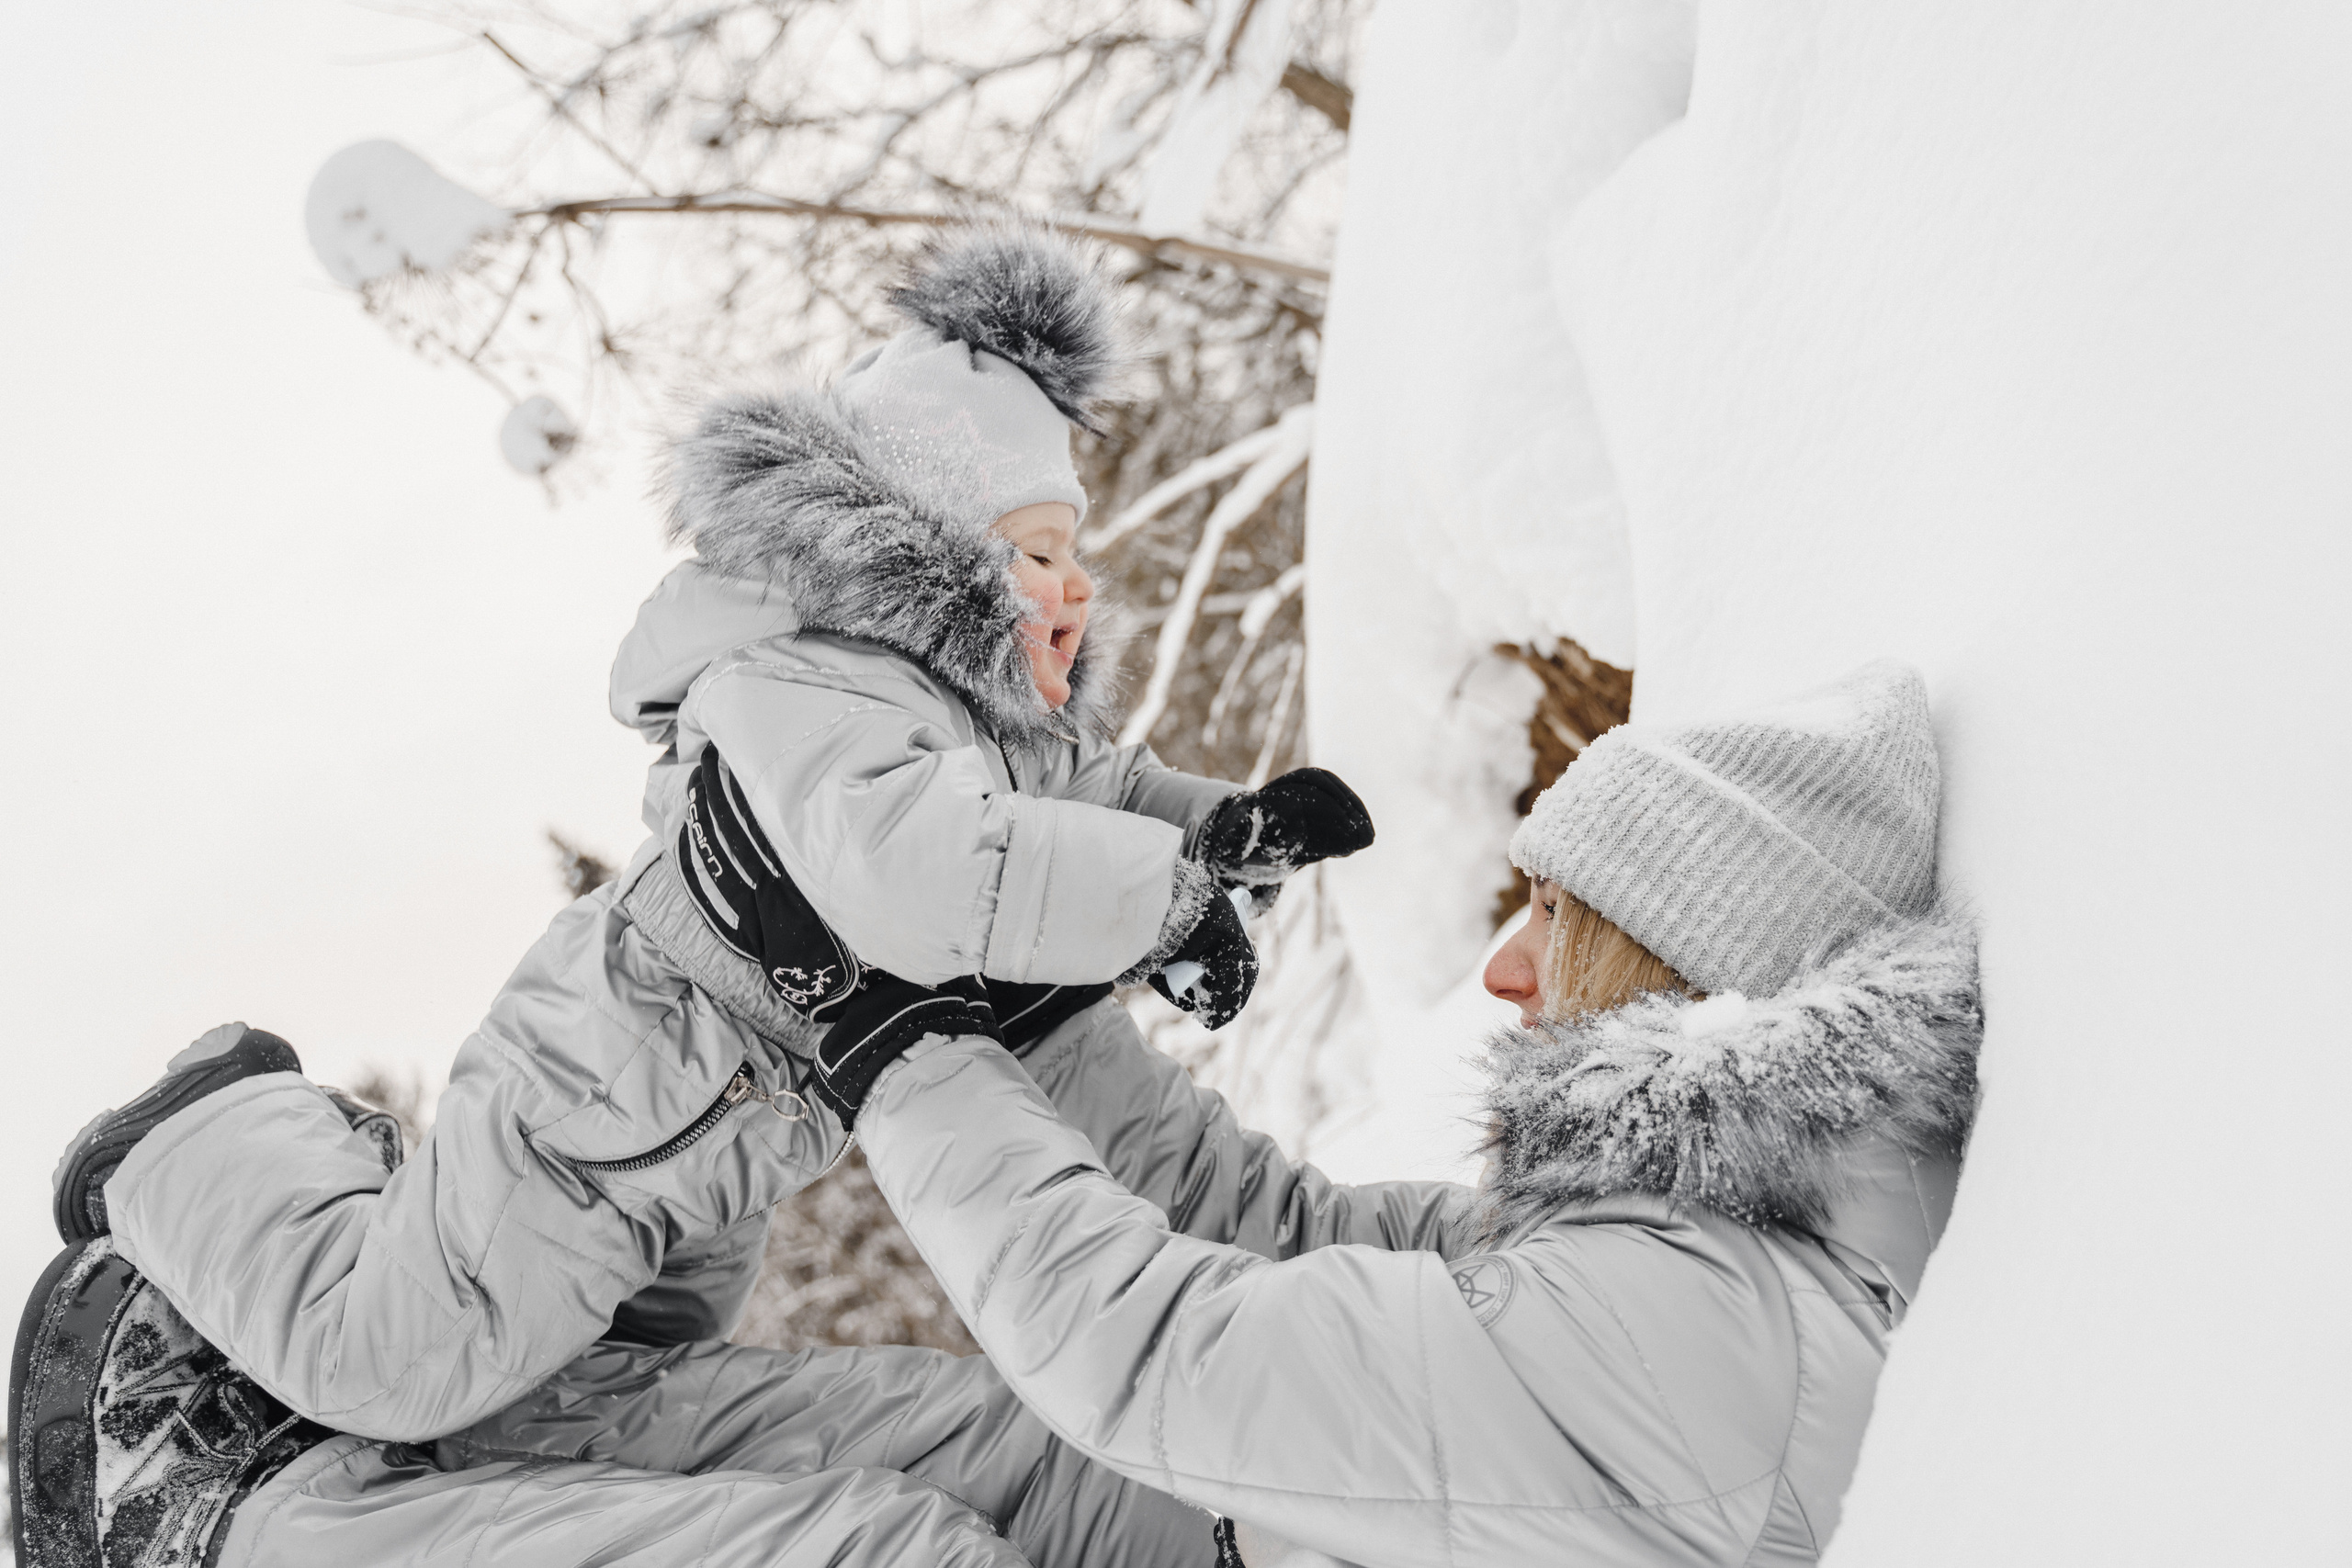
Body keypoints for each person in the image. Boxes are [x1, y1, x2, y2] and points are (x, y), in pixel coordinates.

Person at [13, 225, 1372, 1568]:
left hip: (728, 1130)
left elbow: (1089, 798)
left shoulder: (985, 726)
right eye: (1031, 551)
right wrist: (1160, 901)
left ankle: (436, 1425)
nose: (1074, 583)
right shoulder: (805, 684)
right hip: (605, 1084)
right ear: (927, 558)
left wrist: (1220, 834)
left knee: (612, 1375)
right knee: (398, 1358)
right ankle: (206, 1141)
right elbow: (910, 870)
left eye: (1076, 548)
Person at [788, 659, 1984, 1567]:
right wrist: (1036, 1020)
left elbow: (1159, 1352)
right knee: (831, 1453)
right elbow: (1282, 1232)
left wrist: (900, 1048)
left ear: (1684, 964)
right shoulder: (1700, 1261)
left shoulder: (1703, 1333)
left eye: (1560, 916)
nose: (1509, 970)